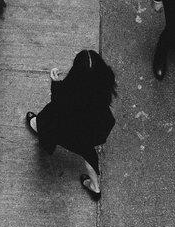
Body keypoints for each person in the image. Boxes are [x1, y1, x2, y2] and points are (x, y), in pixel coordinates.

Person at [25, 50, 117, 202]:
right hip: (91, 130)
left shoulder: (70, 90)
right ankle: (95, 187)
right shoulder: (103, 85)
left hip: (69, 128)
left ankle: (35, 125)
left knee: (46, 120)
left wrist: (55, 82)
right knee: (89, 155)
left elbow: (57, 102)